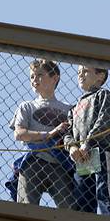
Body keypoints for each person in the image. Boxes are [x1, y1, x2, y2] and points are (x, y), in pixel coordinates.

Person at [8, 59, 74, 208]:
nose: (34, 80)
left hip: (60, 164)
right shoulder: (27, 106)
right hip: (33, 161)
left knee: (70, 209)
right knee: (26, 208)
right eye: (32, 76)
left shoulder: (69, 109)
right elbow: (20, 134)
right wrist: (49, 134)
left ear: (55, 78)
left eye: (39, 75)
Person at [64, 66, 110, 214]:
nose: (80, 75)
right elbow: (68, 131)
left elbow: (104, 120)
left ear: (100, 75)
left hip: (101, 150)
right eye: (78, 72)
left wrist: (87, 143)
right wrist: (72, 147)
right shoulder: (74, 107)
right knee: (83, 197)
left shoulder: (103, 95)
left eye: (85, 71)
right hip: (82, 157)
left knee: (103, 192)